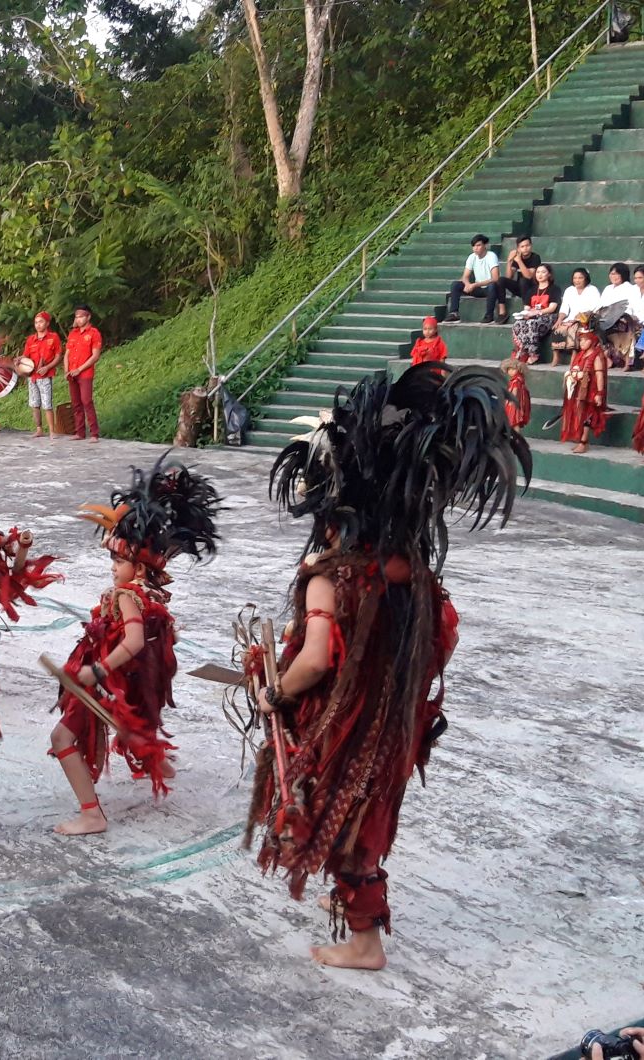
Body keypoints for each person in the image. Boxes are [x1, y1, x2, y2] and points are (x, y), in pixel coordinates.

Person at [248, 363, 529, 971]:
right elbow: (441, 643)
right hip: (393, 720)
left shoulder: (330, 578)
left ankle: (365, 944)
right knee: (364, 811)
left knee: (340, 814)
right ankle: (354, 913)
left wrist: (276, 692)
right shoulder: (413, 574)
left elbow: (316, 659)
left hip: (343, 725)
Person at [49, 457, 220, 836]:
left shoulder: (127, 595)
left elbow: (135, 641)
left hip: (108, 683)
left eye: (118, 559)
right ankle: (161, 766)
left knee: (61, 738)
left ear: (138, 568)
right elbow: (161, 640)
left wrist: (97, 670)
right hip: (127, 686)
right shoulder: (152, 595)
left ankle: (92, 814)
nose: (112, 566)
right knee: (133, 730)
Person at [562, 318, 610, 454]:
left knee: (588, 415)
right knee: (579, 414)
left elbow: (599, 375)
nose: (582, 342)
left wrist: (599, 393)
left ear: (593, 340)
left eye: (585, 340)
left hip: (591, 391)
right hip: (578, 390)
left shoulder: (596, 356)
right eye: (580, 340)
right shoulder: (580, 355)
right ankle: (580, 440)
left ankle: (584, 442)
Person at [20, 311, 63, 438]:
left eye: (41, 322)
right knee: (34, 404)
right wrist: (19, 360)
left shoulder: (53, 337)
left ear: (47, 323)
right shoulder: (30, 339)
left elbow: (58, 356)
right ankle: (39, 429)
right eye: (36, 322)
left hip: (45, 376)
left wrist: (47, 367)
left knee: (47, 404)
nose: (38, 325)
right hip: (32, 376)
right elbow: (25, 356)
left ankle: (52, 431)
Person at [65, 305, 104, 441]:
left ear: (88, 317)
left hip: (85, 373)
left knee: (86, 401)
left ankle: (94, 433)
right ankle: (79, 432)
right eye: (77, 317)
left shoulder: (94, 333)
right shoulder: (73, 334)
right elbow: (67, 354)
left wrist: (80, 369)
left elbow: (95, 356)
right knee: (76, 403)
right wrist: (67, 370)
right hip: (72, 373)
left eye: (81, 316)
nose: (79, 319)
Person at [444, 234, 504, 323]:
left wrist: (475, 285)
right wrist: (468, 284)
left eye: (478, 245)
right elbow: (465, 276)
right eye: (474, 246)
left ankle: (489, 316)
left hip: (489, 289)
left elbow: (495, 278)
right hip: (477, 288)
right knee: (456, 285)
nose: (476, 248)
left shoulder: (491, 256)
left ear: (485, 245)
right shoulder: (472, 257)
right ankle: (454, 313)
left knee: (492, 286)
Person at [510, 263, 559, 364]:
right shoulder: (532, 290)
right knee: (518, 324)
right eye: (538, 272)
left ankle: (534, 354)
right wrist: (525, 314)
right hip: (533, 316)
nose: (540, 274)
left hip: (549, 316)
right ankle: (522, 350)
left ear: (549, 274)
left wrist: (537, 312)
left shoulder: (554, 289)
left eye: (543, 272)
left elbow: (552, 308)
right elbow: (527, 308)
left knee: (531, 323)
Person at [553, 268, 601, 365]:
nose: (577, 280)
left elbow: (596, 308)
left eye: (580, 278)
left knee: (573, 329)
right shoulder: (569, 290)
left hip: (586, 319)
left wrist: (581, 317)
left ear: (586, 278)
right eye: (575, 278)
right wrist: (559, 319)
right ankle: (556, 356)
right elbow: (564, 308)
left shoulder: (592, 290)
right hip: (570, 319)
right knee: (557, 328)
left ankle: (574, 355)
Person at [494, 237, 543, 323]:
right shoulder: (517, 258)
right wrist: (509, 261)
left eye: (527, 245)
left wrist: (519, 261)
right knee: (501, 280)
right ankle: (502, 312)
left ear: (531, 246)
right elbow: (509, 277)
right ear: (518, 248)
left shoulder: (535, 257)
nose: (525, 248)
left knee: (523, 280)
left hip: (532, 289)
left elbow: (529, 276)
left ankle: (526, 310)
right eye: (522, 246)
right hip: (520, 288)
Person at [504, 358, 533, 429]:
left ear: (519, 370)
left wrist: (511, 400)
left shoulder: (516, 381)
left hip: (515, 403)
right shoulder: (519, 379)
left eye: (513, 369)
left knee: (515, 421)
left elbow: (515, 391)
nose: (510, 371)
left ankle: (516, 435)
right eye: (509, 369)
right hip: (519, 402)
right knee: (514, 421)